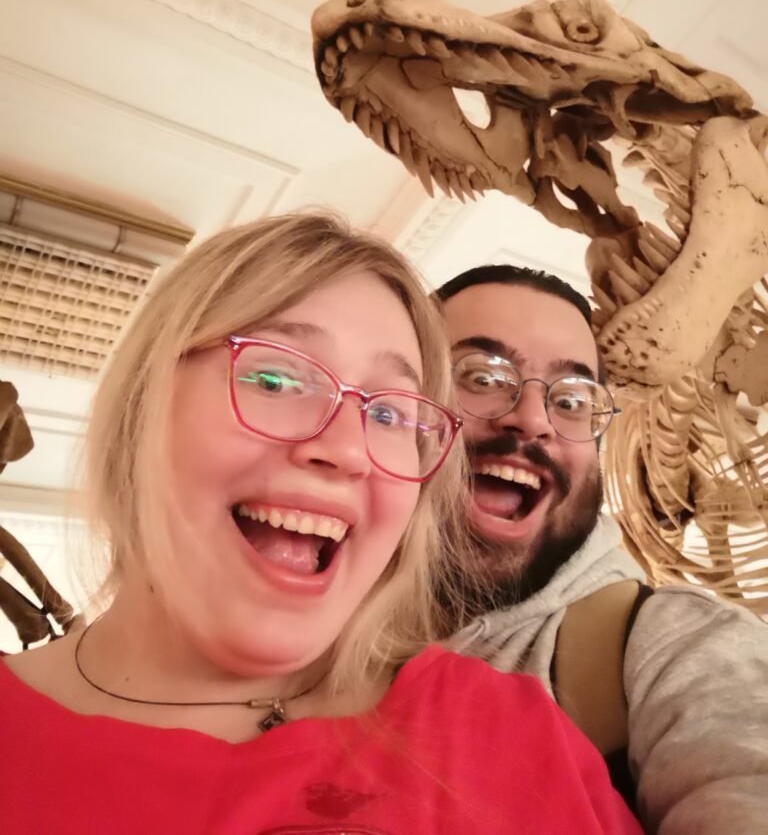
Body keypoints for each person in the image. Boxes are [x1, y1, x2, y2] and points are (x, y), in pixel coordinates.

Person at [0, 213, 641, 834]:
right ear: (141, 404)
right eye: (276, 379)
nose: (349, 449)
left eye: (389, 414)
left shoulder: (515, 740)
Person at [435, 263, 768, 835]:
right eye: (482, 377)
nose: (532, 419)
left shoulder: (676, 645)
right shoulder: (301, 628)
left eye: (571, 400)